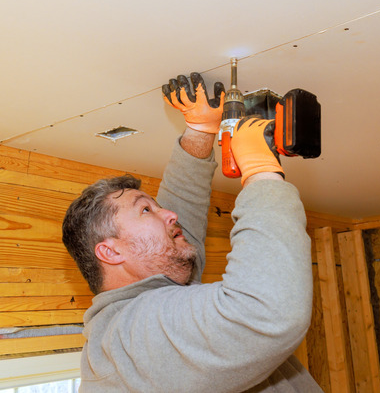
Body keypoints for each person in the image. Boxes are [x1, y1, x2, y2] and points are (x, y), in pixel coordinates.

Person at [62, 71, 321, 392]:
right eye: (146, 210)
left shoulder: (137, 317)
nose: (170, 215)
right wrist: (261, 172)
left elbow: (175, 220)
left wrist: (200, 130)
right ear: (111, 251)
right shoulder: (137, 332)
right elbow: (265, 312)